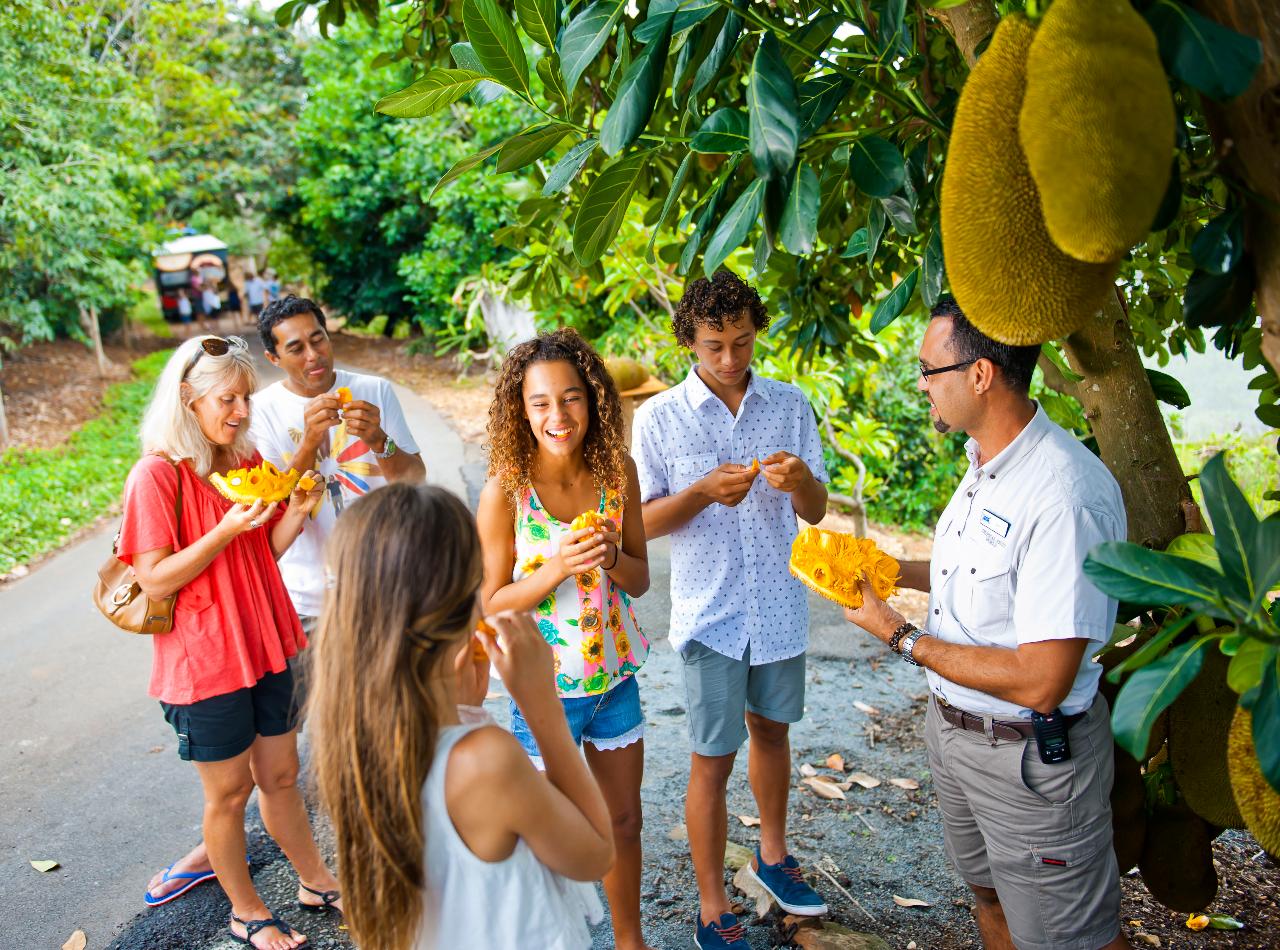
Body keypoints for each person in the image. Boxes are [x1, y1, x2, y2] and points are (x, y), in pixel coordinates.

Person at [841, 297, 1128, 950]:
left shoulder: (1062, 495)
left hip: (1030, 758)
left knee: (1071, 937)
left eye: (927, 369)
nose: (920, 384)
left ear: (979, 376)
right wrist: (890, 570)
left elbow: (1041, 680)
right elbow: (971, 572)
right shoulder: (983, 463)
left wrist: (900, 635)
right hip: (957, 739)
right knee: (989, 898)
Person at [144, 293, 427, 906]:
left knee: (342, 748)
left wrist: (372, 440)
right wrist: (308, 449)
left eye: (318, 338)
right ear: (275, 357)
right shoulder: (218, 441)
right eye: (293, 346)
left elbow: (411, 481)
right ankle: (223, 867)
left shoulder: (362, 396)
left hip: (361, 599)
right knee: (250, 775)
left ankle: (350, 867)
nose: (312, 354)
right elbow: (221, 543)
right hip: (287, 610)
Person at [309, 483, 613, 950]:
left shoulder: (356, 732)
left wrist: (464, 698)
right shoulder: (485, 761)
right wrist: (543, 709)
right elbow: (594, 854)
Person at [119, 335, 340, 949]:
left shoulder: (240, 464)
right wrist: (221, 531)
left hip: (266, 642)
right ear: (187, 397)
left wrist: (295, 511)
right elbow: (155, 577)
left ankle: (315, 879)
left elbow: (259, 553)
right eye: (228, 398)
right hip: (206, 661)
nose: (241, 410)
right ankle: (245, 910)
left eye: (245, 396)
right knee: (230, 792)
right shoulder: (156, 476)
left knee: (281, 774)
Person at [632, 271, 830, 949]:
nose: (728, 359)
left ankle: (773, 860)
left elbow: (816, 511)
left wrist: (802, 480)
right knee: (712, 757)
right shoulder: (658, 418)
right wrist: (698, 494)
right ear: (689, 339)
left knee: (773, 734)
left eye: (741, 342)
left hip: (779, 606)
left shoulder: (788, 405)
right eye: (714, 345)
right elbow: (643, 524)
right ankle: (712, 901)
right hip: (710, 615)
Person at [475, 328, 654, 950]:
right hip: (542, 691)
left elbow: (640, 579)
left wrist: (608, 558)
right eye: (541, 402)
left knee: (623, 821)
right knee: (548, 837)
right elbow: (488, 603)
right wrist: (553, 568)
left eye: (572, 398)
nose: (559, 415)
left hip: (614, 678)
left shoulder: (617, 471)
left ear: (594, 400)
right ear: (520, 412)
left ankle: (629, 940)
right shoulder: (505, 490)